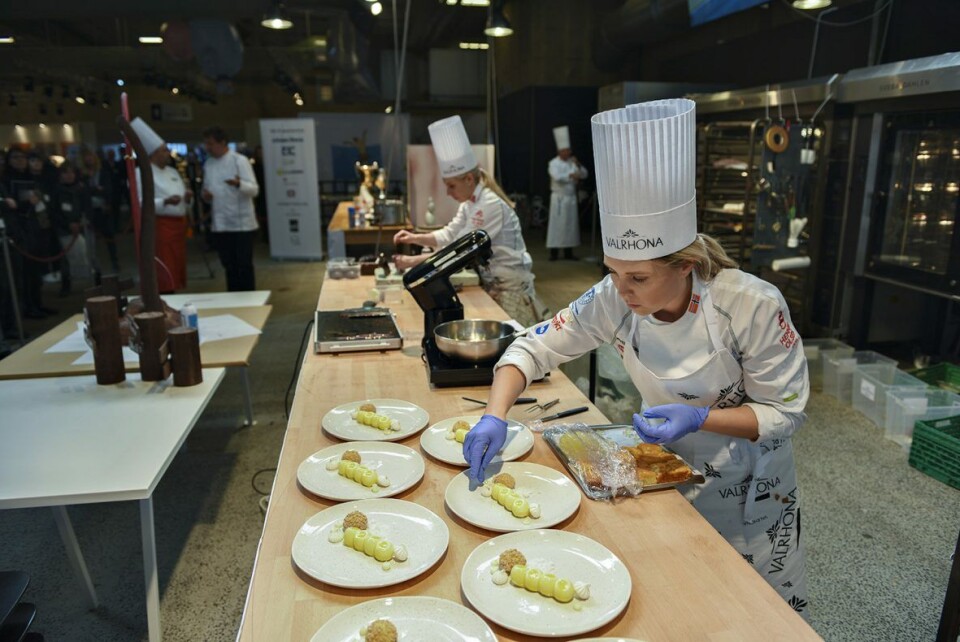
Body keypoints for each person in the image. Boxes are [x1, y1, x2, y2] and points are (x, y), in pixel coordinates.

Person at [463, 99, 810, 615]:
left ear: (686, 264)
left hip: (751, 494)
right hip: (665, 476)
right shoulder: (614, 297)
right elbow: (532, 346)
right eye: (613, 271)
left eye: (639, 278)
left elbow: (785, 413)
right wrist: (494, 415)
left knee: (749, 614)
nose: (621, 290)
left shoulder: (750, 305)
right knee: (678, 606)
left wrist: (700, 418)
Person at [392, 115, 548, 328]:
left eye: (451, 186)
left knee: (515, 349)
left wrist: (412, 263)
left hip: (511, 290)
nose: (448, 192)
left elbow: (459, 251)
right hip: (494, 285)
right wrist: (414, 238)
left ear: (468, 179)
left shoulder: (489, 205)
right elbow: (449, 235)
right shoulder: (469, 204)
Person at [131, 118, 192, 293]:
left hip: (178, 225)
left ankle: (174, 290)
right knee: (165, 264)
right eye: (164, 150)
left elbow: (183, 199)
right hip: (160, 226)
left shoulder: (172, 171)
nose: (168, 153)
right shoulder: (141, 173)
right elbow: (140, 203)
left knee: (177, 261)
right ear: (153, 153)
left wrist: (187, 199)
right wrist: (165, 202)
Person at [200, 126, 259, 291]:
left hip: (241, 223)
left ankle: (249, 298)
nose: (208, 147)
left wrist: (239, 183)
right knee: (228, 265)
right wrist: (206, 196)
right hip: (220, 223)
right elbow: (206, 189)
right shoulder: (209, 164)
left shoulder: (239, 160)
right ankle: (233, 296)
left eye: (211, 143)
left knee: (243, 265)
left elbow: (254, 189)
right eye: (206, 144)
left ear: (222, 142)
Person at [546, 125, 588, 261]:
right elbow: (557, 176)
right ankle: (554, 253)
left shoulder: (572, 162)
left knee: (570, 227)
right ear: (560, 151)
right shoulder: (553, 163)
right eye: (565, 150)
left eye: (568, 150)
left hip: (570, 199)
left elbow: (584, 174)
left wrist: (578, 166)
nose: (568, 153)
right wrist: (571, 175)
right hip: (559, 199)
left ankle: (568, 253)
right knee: (557, 226)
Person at [80, 147, 119, 273]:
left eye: (90, 156)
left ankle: (115, 262)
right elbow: (84, 191)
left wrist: (95, 190)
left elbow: (108, 190)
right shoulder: (82, 174)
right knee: (92, 240)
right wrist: (97, 189)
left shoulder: (103, 172)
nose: (89, 159)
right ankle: (94, 266)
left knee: (109, 237)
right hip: (90, 211)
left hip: (104, 209)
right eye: (86, 156)